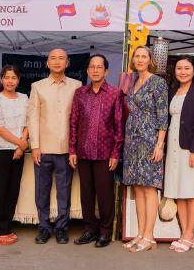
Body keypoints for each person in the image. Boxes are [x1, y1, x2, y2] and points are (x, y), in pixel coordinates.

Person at [27, 48, 82, 245]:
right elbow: (32, 118)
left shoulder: (77, 86)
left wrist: (75, 148)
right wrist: (34, 146)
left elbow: (78, 120)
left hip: (67, 150)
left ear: (67, 63)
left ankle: (61, 228)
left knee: (64, 191)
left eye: (61, 58)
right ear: (47, 63)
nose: (57, 61)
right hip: (43, 148)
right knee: (41, 191)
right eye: (53, 58)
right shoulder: (37, 87)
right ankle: (43, 227)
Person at [69, 54, 124, 248]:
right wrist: (72, 150)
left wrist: (116, 153)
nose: (95, 70)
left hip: (105, 154)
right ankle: (89, 230)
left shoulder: (114, 94)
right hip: (83, 152)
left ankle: (105, 232)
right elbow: (74, 123)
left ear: (106, 71)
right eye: (92, 67)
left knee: (105, 195)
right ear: (87, 71)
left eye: (99, 67)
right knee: (86, 194)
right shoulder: (80, 93)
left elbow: (119, 126)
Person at [164, 56, 194, 253]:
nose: (182, 71)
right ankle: (185, 234)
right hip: (173, 148)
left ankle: (190, 233)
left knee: (192, 192)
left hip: (191, 148)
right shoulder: (173, 91)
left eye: (186, 68)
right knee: (179, 192)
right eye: (179, 68)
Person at [122, 46, 168, 253]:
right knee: (137, 188)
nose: (140, 60)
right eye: (137, 56)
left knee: (149, 189)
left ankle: (150, 236)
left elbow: (163, 116)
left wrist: (160, 144)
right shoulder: (132, 82)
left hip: (150, 141)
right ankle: (141, 233)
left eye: (144, 56)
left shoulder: (158, 82)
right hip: (132, 142)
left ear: (150, 60)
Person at [0, 65, 29, 245]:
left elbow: (28, 122)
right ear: (1, 80)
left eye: (13, 78)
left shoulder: (25, 98)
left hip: (19, 150)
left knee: (13, 190)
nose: (10, 81)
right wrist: (20, 143)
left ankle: (7, 227)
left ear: (18, 80)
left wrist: (21, 146)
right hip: (0, 149)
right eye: (7, 77)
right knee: (0, 190)